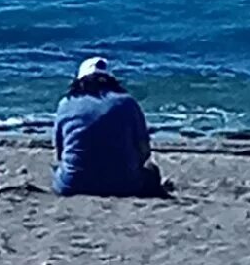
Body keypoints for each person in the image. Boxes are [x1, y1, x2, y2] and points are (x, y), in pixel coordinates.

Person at [53, 57, 169, 198]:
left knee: (58, 170)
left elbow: (60, 151)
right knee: (152, 171)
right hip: (126, 185)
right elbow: (144, 150)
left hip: (72, 184)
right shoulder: (127, 102)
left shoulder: (65, 104)